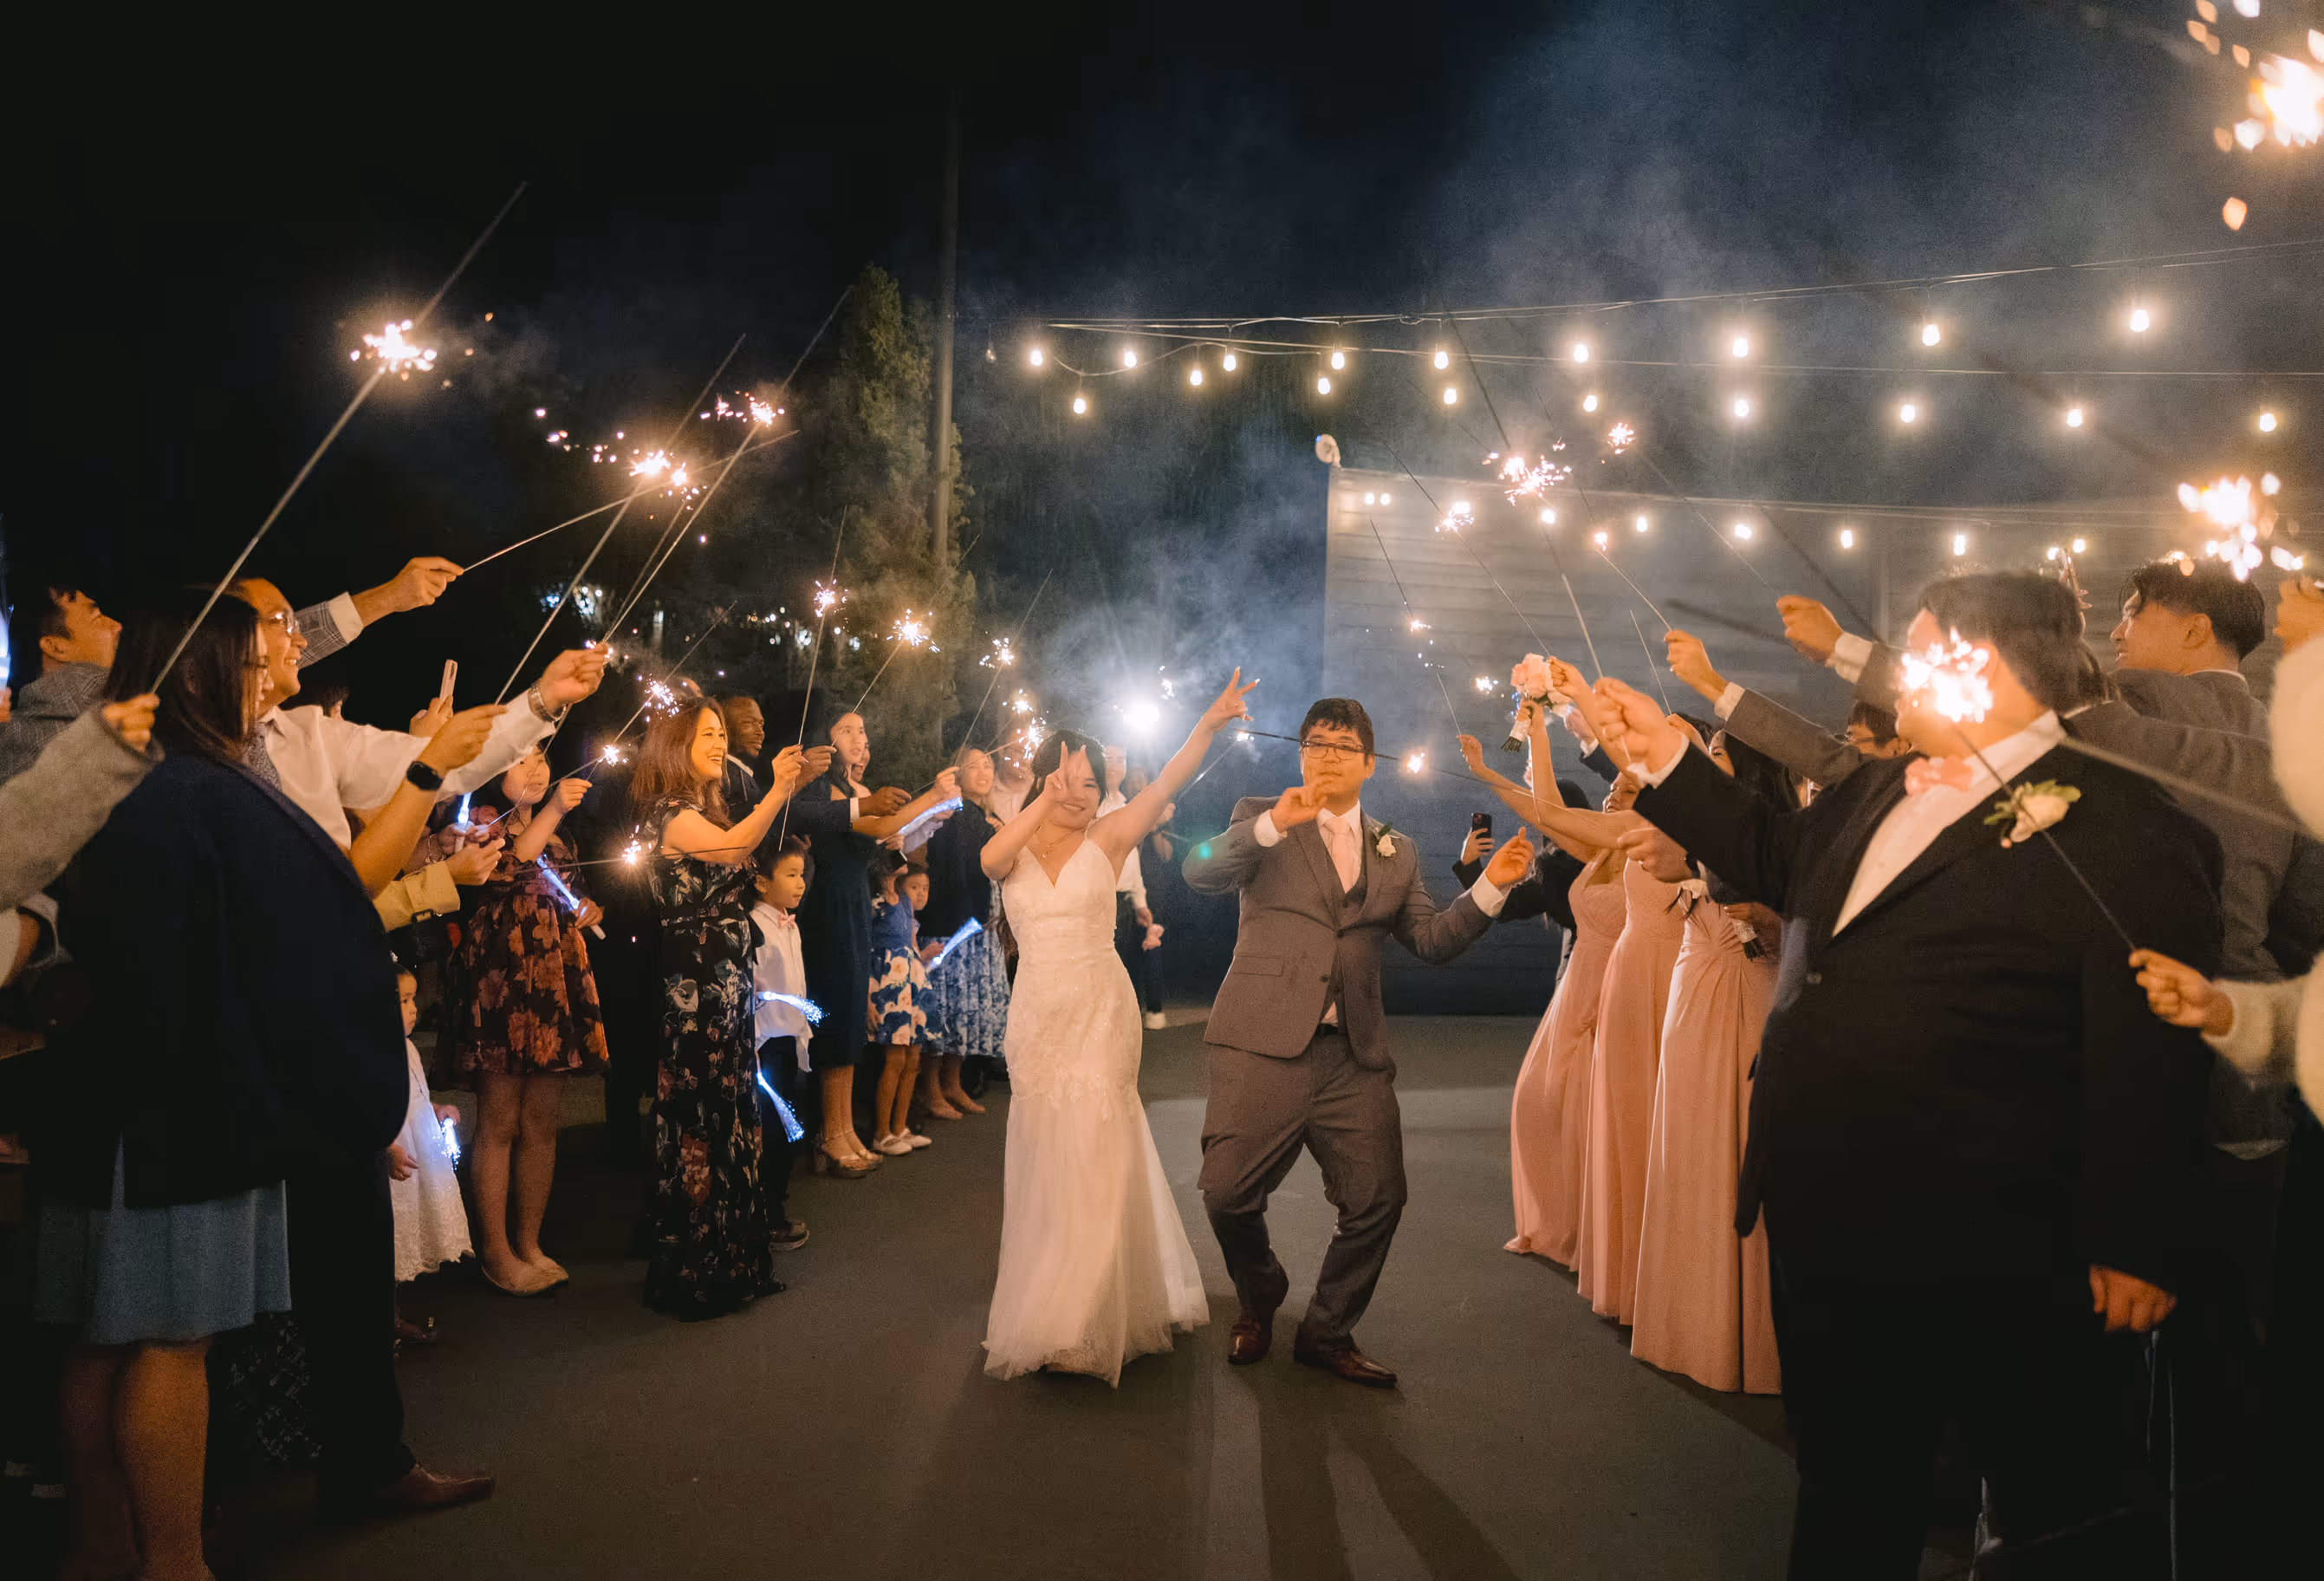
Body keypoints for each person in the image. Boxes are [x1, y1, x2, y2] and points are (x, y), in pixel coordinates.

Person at [1610, 570, 2221, 1578]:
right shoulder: (1877, 785)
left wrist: (2135, 1235)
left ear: (1983, 664)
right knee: (1847, 1482)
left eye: (1919, 650)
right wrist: (1662, 755)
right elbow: (1774, 853)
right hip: (1829, 1216)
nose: (1895, 673)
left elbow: (2149, 1043)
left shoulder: (2132, 830)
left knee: (2049, 1504)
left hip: (2002, 1241)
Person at [1183, 694, 1535, 1387]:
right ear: (1300, 754)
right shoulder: (1261, 814)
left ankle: (1327, 1330)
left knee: (1379, 1200)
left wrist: (1490, 889)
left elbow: (1430, 940)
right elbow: (1199, 870)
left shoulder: (1396, 850)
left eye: (1344, 747)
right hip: (1260, 1040)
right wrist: (1272, 826)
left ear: (1369, 764)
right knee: (1225, 1196)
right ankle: (1260, 1293)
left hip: (1354, 1055)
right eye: (1315, 743)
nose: (1327, 757)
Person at [979, 674, 1256, 1384]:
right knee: (1050, 1158)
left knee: (1097, 1149)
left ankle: (1086, 1314)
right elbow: (992, 862)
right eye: (1068, 780)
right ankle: (1054, 1300)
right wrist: (1042, 801)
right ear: (1044, 778)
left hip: (1101, 1010)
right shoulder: (1014, 839)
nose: (1080, 794)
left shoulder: (1108, 836)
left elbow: (1165, 785)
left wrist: (1208, 724)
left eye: (1091, 783)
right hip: (1037, 1016)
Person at [632, 699, 820, 1318]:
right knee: (702, 1113)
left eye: (720, 733)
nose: (718, 743)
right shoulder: (671, 814)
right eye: (705, 734)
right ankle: (698, 1270)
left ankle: (733, 1260)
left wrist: (790, 790)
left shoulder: (704, 811)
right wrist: (779, 789)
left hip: (725, 982)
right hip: (694, 988)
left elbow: (743, 843)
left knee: (730, 1109)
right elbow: (736, 849)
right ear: (676, 746)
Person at [1627, 730, 1787, 1396]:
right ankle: (1691, 1324)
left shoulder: (1781, 835)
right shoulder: (1691, 826)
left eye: (1717, 754)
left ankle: (1752, 1336)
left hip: (1746, 997)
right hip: (1690, 1005)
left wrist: (1774, 921)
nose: (1705, 762)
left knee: (1741, 1148)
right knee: (1691, 1151)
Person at [0, 557, 460, 784]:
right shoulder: (88, 716)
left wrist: (391, 598)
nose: (117, 625)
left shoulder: (137, 709)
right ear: (54, 645)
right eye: (95, 616)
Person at [441, 750, 609, 1298]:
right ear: (495, 770)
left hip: (554, 980)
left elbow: (568, 891)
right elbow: (507, 870)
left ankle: (529, 1244)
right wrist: (555, 807)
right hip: (503, 982)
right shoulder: (480, 820)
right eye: (520, 760)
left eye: (541, 757)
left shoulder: (560, 836)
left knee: (541, 1122)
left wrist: (589, 908)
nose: (536, 769)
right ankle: (496, 1252)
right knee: (499, 1121)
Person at [794, 711, 956, 1176]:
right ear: (826, 740)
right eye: (846, 729)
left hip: (855, 904)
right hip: (829, 904)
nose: (858, 737)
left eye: (862, 730)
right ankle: (830, 1132)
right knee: (835, 1014)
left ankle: (845, 1129)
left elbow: (892, 832)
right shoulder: (822, 789)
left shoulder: (855, 790)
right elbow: (877, 828)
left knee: (850, 1020)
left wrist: (931, 803)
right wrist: (932, 795)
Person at [917, 745, 1008, 1118]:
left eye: (989, 764)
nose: (984, 771)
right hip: (951, 925)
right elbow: (953, 872)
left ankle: (953, 1083)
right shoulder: (952, 812)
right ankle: (931, 1089)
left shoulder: (984, 817)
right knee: (944, 1009)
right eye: (974, 766)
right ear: (957, 773)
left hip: (977, 926)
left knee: (965, 1011)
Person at [387, 964, 471, 1301]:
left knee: (416, 1211)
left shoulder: (406, 1048)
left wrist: (434, 1109)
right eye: (404, 1001)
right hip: (398, 1148)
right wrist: (386, 1146)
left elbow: (413, 1094)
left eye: (413, 1000)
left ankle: (396, 1308)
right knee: (396, 1218)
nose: (414, 1010)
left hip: (418, 1143)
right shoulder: (376, 1053)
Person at [749, 840, 815, 1254]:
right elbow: (754, 990)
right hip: (765, 1045)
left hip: (788, 1039)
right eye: (790, 875)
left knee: (785, 1129)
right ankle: (768, 1216)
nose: (800, 883)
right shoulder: (754, 928)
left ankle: (776, 1205)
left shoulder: (790, 925)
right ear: (761, 882)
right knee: (770, 1134)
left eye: (801, 874)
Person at [867, 857, 933, 1157]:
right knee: (894, 1058)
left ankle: (900, 1126)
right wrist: (868, 994)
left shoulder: (904, 902)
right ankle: (882, 1133)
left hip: (910, 982)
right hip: (888, 983)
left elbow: (910, 942)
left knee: (913, 1058)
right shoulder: (876, 903)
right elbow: (867, 947)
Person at [1104, 751, 1168, 1030]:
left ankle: (1134, 1017)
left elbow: (1132, 858)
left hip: (1127, 898)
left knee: (1127, 962)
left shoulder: (1123, 804)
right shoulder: (1093, 805)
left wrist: (1140, 900)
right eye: (1109, 758)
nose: (1115, 765)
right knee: (1107, 966)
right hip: (1102, 897)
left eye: (1121, 759)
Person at [719, 693, 768, 811]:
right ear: (725, 728)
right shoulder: (729, 780)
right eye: (748, 723)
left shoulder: (740, 775)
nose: (760, 732)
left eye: (761, 725)